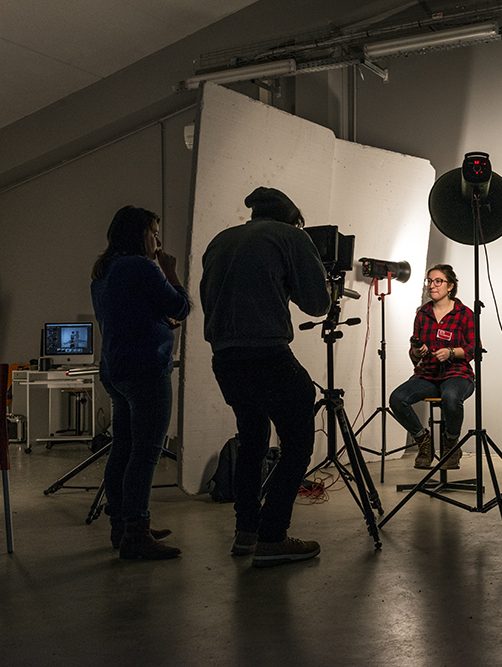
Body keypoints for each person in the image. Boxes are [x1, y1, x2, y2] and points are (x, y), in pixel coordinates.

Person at [201, 187, 331, 568]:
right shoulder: (292, 236)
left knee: (252, 440)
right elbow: (317, 304)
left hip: (225, 358)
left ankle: (246, 533)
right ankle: (273, 537)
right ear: (292, 217)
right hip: (268, 354)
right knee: (297, 446)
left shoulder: (220, 240)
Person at [91, 205, 190, 560]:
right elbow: (181, 306)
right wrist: (171, 271)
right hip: (146, 370)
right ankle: (137, 532)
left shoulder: (104, 270)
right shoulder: (141, 266)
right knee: (145, 453)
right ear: (139, 234)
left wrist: (157, 320)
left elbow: (128, 315)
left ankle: (122, 524)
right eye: (153, 232)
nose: (158, 240)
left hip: (115, 370)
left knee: (123, 448)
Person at [389, 264, 475, 470]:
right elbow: (413, 354)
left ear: (450, 286)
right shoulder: (422, 313)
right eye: (429, 281)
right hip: (427, 375)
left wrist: (451, 352)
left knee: (451, 397)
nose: (432, 285)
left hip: (457, 375)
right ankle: (423, 441)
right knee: (397, 399)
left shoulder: (464, 313)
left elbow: (473, 348)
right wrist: (417, 352)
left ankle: (451, 443)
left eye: (438, 281)